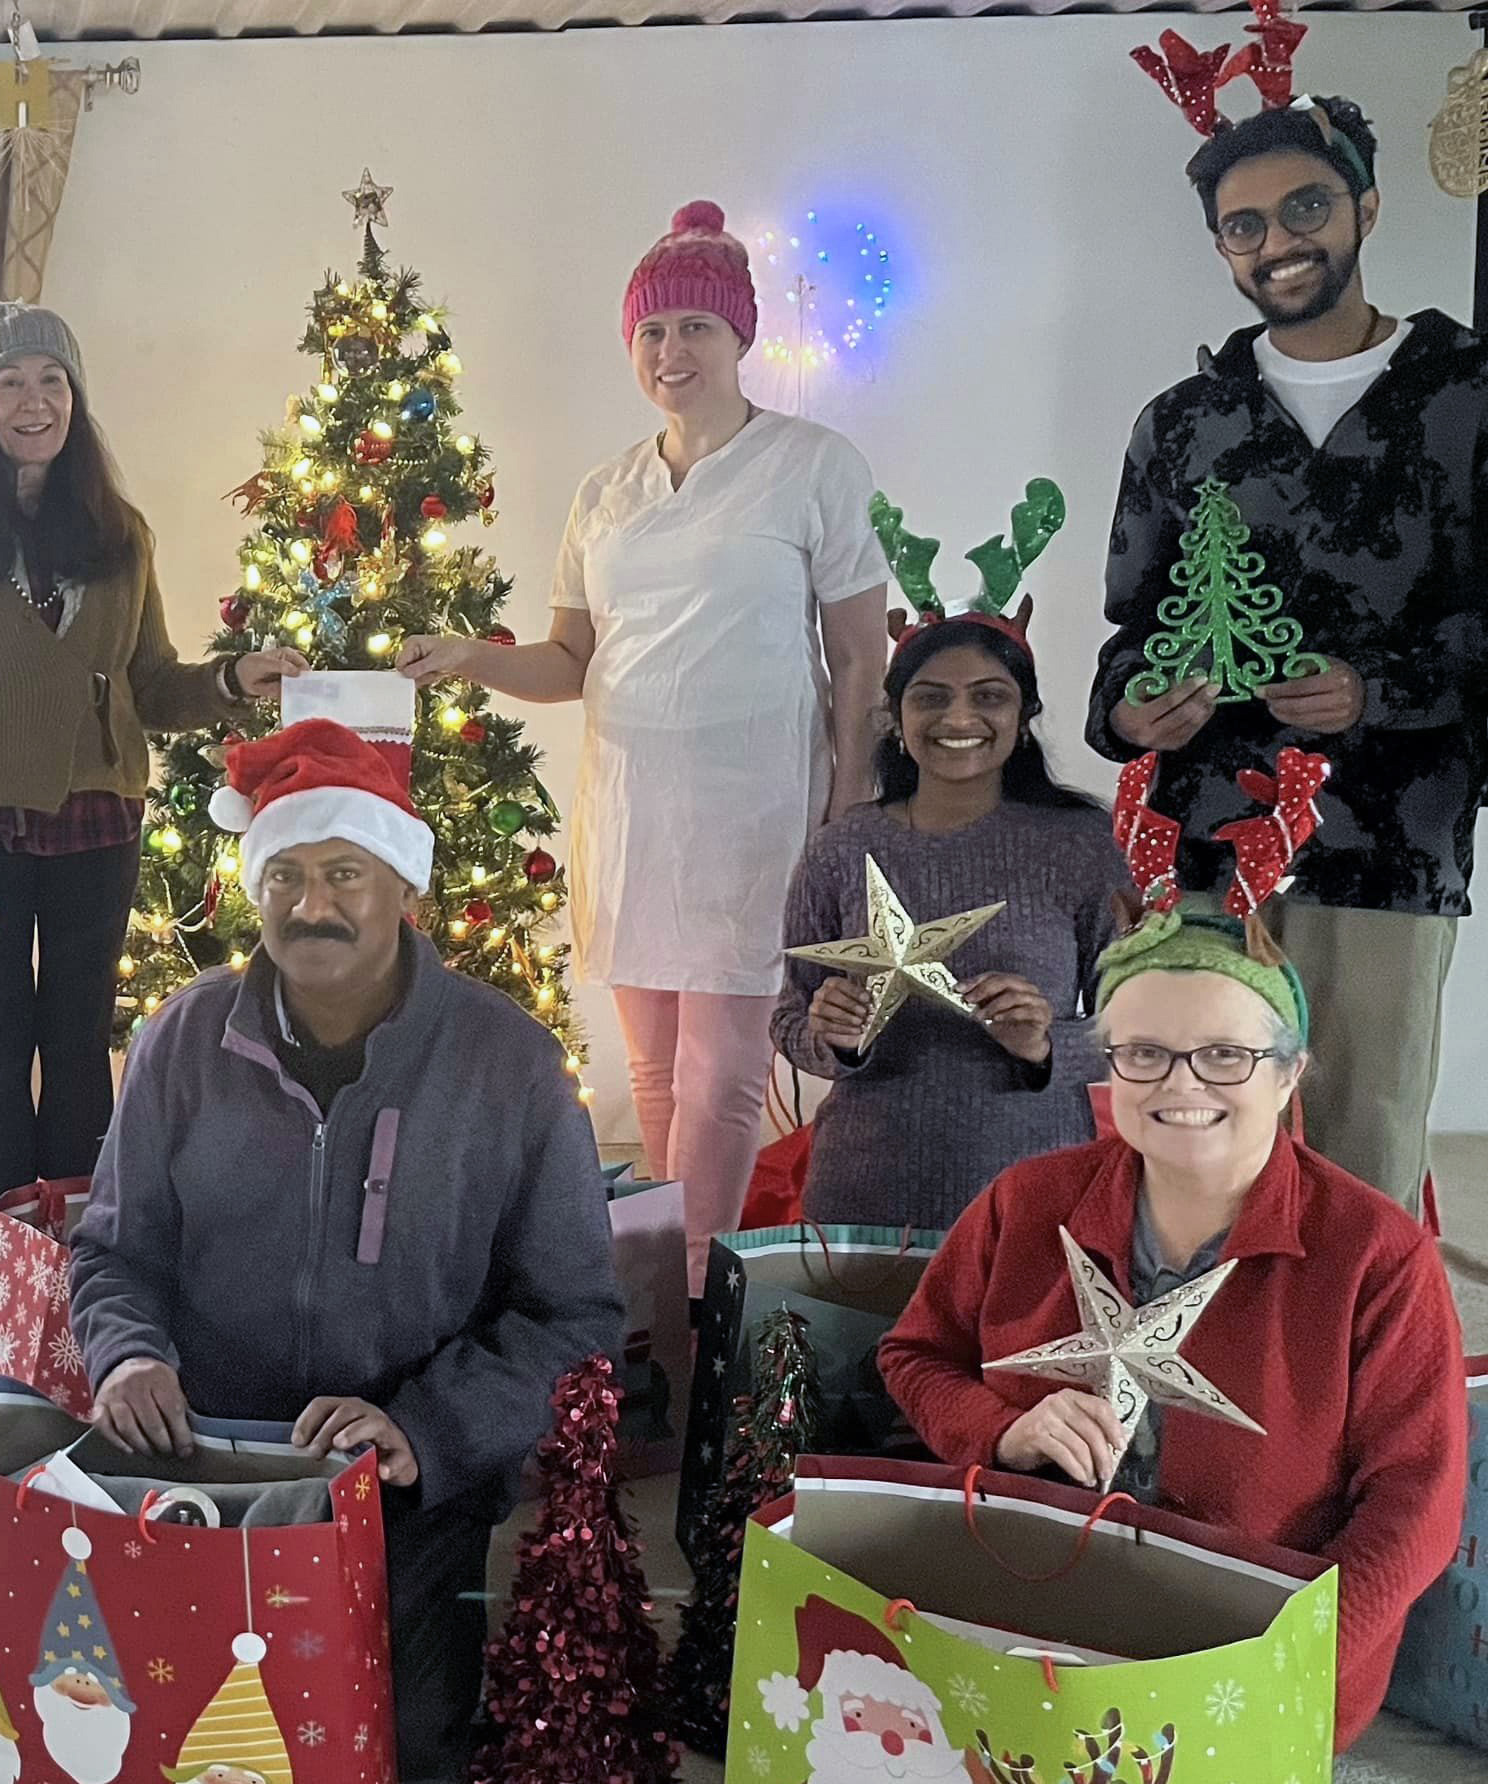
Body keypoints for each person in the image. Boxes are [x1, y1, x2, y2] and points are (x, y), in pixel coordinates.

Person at [70, 717, 624, 1784]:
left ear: (402, 883)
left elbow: (576, 1316)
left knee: (400, 1737)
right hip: (206, 1459)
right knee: (144, 1716)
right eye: (284, 872)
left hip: (399, 1482)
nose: (310, 904)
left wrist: (429, 1426)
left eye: (343, 872)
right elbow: (112, 1250)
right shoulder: (180, 1040)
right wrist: (129, 1354)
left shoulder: (508, 1064)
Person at [398, 202, 888, 1292]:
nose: (671, 353)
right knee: (657, 1078)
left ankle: (698, 1303)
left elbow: (858, 659)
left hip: (755, 816)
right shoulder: (604, 492)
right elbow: (570, 661)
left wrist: (847, 803)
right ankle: (650, 1301)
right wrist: (471, 656)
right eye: (651, 333)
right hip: (629, 813)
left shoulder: (811, 466)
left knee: (722, 1081)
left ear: (737, 337)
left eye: (694, 329)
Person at [879, 904, 1467, 1752]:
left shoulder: (1377, 1256)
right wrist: (1000, 1431)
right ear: (1110, 1067)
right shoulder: (1028, 1201)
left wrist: (1291, 1660)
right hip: (1027, 1621)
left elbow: (1417, 1506)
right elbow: (916, 1354)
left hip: (1255, 1657)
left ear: (1290, 1073)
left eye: (1226, 1055)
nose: (1181, 1085)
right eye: (1145, 1053)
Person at [1085, 95, 1488, 1215]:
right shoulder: (1179, 425)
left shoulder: (1463, 401)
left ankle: (1354, 1386)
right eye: (1241, 225)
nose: (1276, 243)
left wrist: (1374, 690)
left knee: (1359, 1146)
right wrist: (1129, 712)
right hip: (1205, 842)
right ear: (1220, 246)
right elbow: (1130, 627)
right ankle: (1196, 1373)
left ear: (1362, 205)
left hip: (1384, 846)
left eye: (1303, 207)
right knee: (1192, 1142)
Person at [0, 301, 302, 1209]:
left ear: (76, 399)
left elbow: (150, 680)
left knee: (74, 1042)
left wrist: (232, 678)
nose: (35, 403)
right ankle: (9, 1254)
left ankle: (73, 1249)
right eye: (11, 384)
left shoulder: (119, 533)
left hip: (98, 823)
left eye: (52, 381)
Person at [775, 612, 1127, 1229]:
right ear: (897, 718)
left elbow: (1136, 1030)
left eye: (989, 697)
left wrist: (1046, 1045)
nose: (959, 719)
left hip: (1034, 1198)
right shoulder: (840, 848)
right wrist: (832, 1037)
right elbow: (789, 1018)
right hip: (863, 1194)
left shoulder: (1084, 845)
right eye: (931, 698)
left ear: (1023, 718)